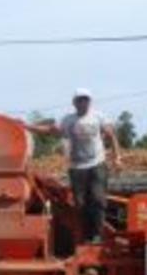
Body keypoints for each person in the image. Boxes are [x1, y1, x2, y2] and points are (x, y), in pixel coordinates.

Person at [26, 88, 122, 244]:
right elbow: (51, 130)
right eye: (80, 100)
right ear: (74, 103)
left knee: (98, 199)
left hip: (97, 163)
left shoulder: (98, 117)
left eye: (86, 100)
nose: (83, 103)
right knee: (80, 203)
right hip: (77, 167)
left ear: (89, 102)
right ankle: (85, 235)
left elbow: (111, 135)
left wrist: (117, 157)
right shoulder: (68, 120)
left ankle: (97, 236)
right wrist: (28, 127)